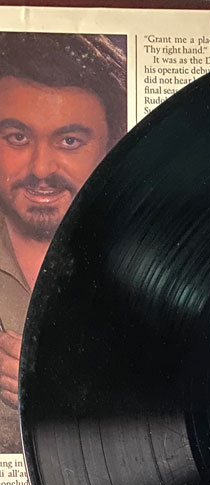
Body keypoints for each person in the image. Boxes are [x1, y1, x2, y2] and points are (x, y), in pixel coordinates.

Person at [0, 33, 126, 450]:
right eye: (17, 137)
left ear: (110, 148)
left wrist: (80, 394)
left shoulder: (151, 266)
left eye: (69, 141)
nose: (41, 168)